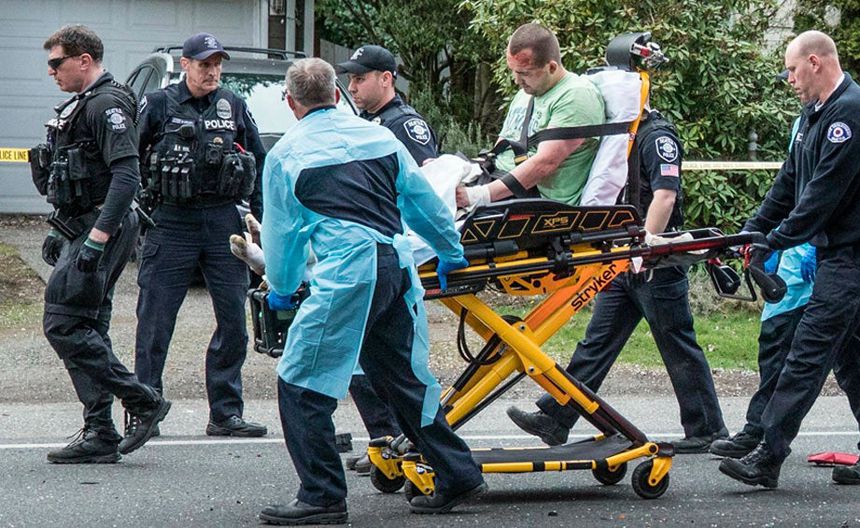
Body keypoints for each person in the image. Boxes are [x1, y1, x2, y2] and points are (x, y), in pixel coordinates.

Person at [258, 58, 486, 525]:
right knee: (401, 377)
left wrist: (282, 287)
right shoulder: (380, 138)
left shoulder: (285, 155)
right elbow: (422, 201)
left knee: (300, 381)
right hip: (395, 266)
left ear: (290, 103)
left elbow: (283, 234)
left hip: (348, 272)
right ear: (336, 95)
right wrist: (450, 251)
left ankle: (322, 496)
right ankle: (457, 472)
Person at [506, 103, 729, 453]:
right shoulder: (620, 137)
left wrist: (644, 250)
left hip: (655, 261)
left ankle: (708, 429)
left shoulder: (656, 136)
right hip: (623, 257)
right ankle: (557, 418)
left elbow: (665, 196)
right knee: (596, 342)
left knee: (676, 343)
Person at [719, 30, 860, 488]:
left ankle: (768, 455)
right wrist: (753, 232)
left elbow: (821, 198)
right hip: (835, 253)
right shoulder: (814, 115)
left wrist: (776, 240)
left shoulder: (849, 114)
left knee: (807, 353)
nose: (789, 80)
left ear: (815, 62)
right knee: (852, 360)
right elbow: (788, 184)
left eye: (792, 70)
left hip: (850, 256)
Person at [33, 24, 170, 463]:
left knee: (63, 324)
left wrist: (97, 237)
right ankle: (100, 431)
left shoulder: (106, 104)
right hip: (84, 224)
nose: (52, 71)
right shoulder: (84, 104)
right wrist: (61, 229)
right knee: (87, 326)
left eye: (57, 63)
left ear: (84, 60)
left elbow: (126, 176)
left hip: (103, 226)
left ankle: (142, 400)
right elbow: (80, 176)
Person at [134, 32, 268, 438]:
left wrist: (261, 222)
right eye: (205, 64)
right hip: (171, 220)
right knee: (155, 320)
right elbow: (127, 159)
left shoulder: (232, 104)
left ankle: (226, 413)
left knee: (234, 320)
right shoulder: (159, 104)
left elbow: (258, 161)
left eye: (217, 64)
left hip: (223, 219)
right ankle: (145, 409)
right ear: (186, 65)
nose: (213, 71)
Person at [710, 117, 817, 459]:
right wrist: (753, 232)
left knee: (788, 350)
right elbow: (788, 187)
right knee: (780, 345)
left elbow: (829, 194)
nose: (794, 88)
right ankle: (758, 431)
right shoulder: (805, 122)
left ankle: (760, 435)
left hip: (827, 255)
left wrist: (811, 243)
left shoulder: (843, 119)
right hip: (797, 255)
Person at [456, 22, 605, 209]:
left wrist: (478, 196)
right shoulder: (526, 94)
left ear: (552, 67)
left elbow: (545, 163)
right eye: (513, 71)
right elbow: (501, 149)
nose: (516, 80)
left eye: (524, 73)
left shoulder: (576, 95)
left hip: (538, 203)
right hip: (499, 182)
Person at [337, 44, 438, 164]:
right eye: (350, 79)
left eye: (359, 79)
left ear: (385, 79)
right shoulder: (362, 120)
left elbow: (425, 173)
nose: (351, 88)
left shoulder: (404, 127)